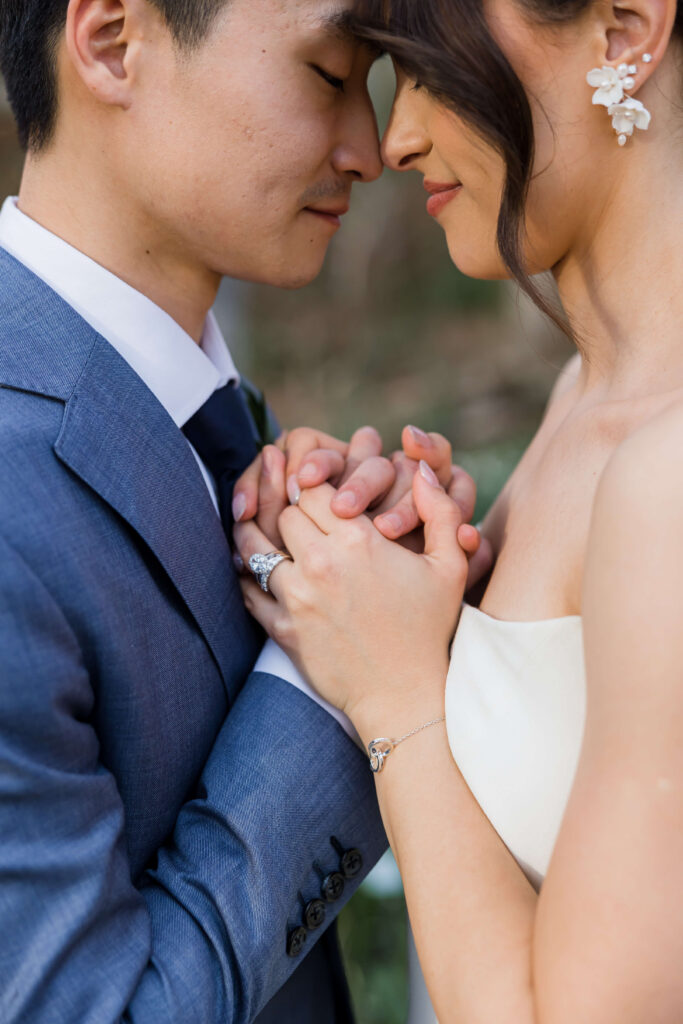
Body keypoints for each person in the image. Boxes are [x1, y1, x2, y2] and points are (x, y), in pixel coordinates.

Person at [0, 1, 480, 1021]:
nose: (370, 146)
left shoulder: (203, 421)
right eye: (327, 75)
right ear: (112, 41)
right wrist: (329, 671)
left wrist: (353, 563)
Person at [234, 0, 683, 1019]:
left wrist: (399, 697)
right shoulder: (584, 398)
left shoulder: (666, 474)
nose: (395, 136)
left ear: (621, 30)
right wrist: (399, 577)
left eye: (429, 69)